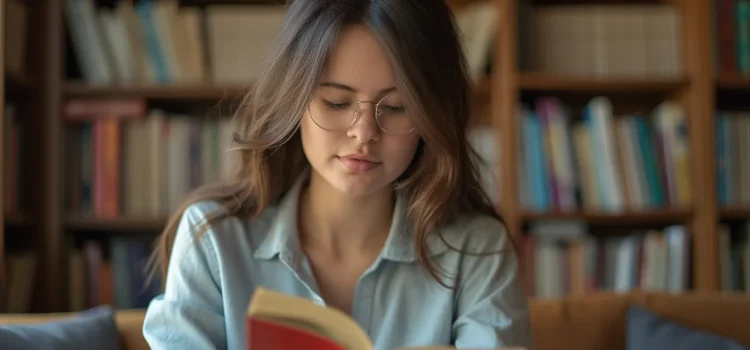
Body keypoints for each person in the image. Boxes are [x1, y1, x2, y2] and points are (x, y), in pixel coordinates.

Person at [142, 0, 533, 349]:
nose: (364, 133)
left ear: (431, 118)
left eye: (396, 108)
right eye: (336, 102)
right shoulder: (214, 241)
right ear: (294, 98)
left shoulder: (477, 252)